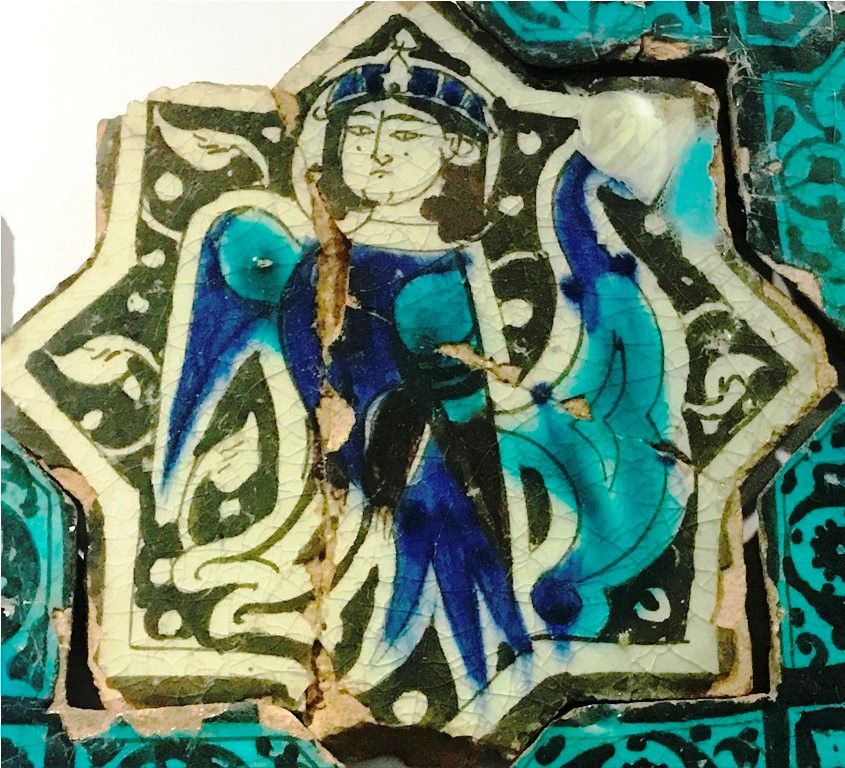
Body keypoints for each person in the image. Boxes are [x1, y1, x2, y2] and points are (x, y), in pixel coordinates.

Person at [161, 34, 689, 688]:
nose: (376, 152)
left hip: (433, 493)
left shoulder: (445, 280)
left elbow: (469, 429)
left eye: (406, 134)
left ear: (458, 150)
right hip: (347, 492)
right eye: (360, 132)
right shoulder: (307, 265)